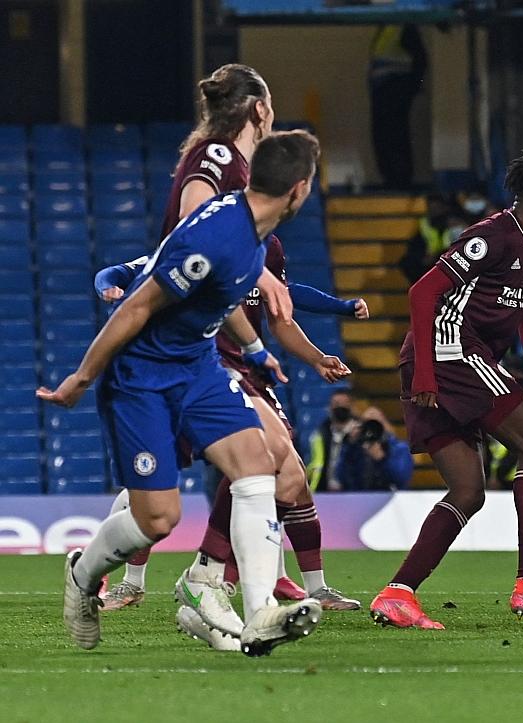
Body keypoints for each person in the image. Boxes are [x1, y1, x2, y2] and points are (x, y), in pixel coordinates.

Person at [92, 66, 361, 650]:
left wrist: (293, 330)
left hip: (220, 341)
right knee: (262, 464)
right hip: (198, 342)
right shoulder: (215, 159)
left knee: (274, 466)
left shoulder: (249, 177)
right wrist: (257, 277)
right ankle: (172, 579)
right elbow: (193, 231)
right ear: (258, 109)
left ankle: (212, 584)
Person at [41, 130, 329, 656]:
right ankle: (83, 575)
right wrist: (81, 380)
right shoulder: (219, 234)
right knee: (159, 520)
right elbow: (135, 307)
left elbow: (225, 296)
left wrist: (256, 348)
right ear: (301, 189)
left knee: (257, 463)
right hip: (142, 379)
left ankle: (261, 610)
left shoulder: (253, 233)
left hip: (198, 366)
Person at [370, 147, 523, 629]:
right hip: (449, 353)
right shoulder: (492, 236)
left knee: (468, 490)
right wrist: (426, 373)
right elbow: (422, 292)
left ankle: (397, 594)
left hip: (450, 360)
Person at [368, 24, 427, 189]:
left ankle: (399, 180)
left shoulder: (402, 27)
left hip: (395, 88)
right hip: (383, 89)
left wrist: (411, 87)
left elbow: (420, 59)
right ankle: (391, 179)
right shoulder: (389, 26)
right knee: (383, 135)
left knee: (394, 135)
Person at [399, 193, 463, 283]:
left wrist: (437, 255)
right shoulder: (425, 223)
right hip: (430, 260)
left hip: (450, 260)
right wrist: (422, 257)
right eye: (432, 208)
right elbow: (416, 244)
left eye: (437, 208)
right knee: (408, 262)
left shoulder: (454, 223)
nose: (435, 211)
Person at [335, 418, 414, 491]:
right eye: (369, 426)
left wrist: (382, 459)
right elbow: (340, 476)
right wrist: (349, 445)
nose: (372, 431)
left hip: (392, 500)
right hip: (359, 499)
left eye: (376, 426)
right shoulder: (356, 448)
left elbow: (402, 479)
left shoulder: (399, 448)